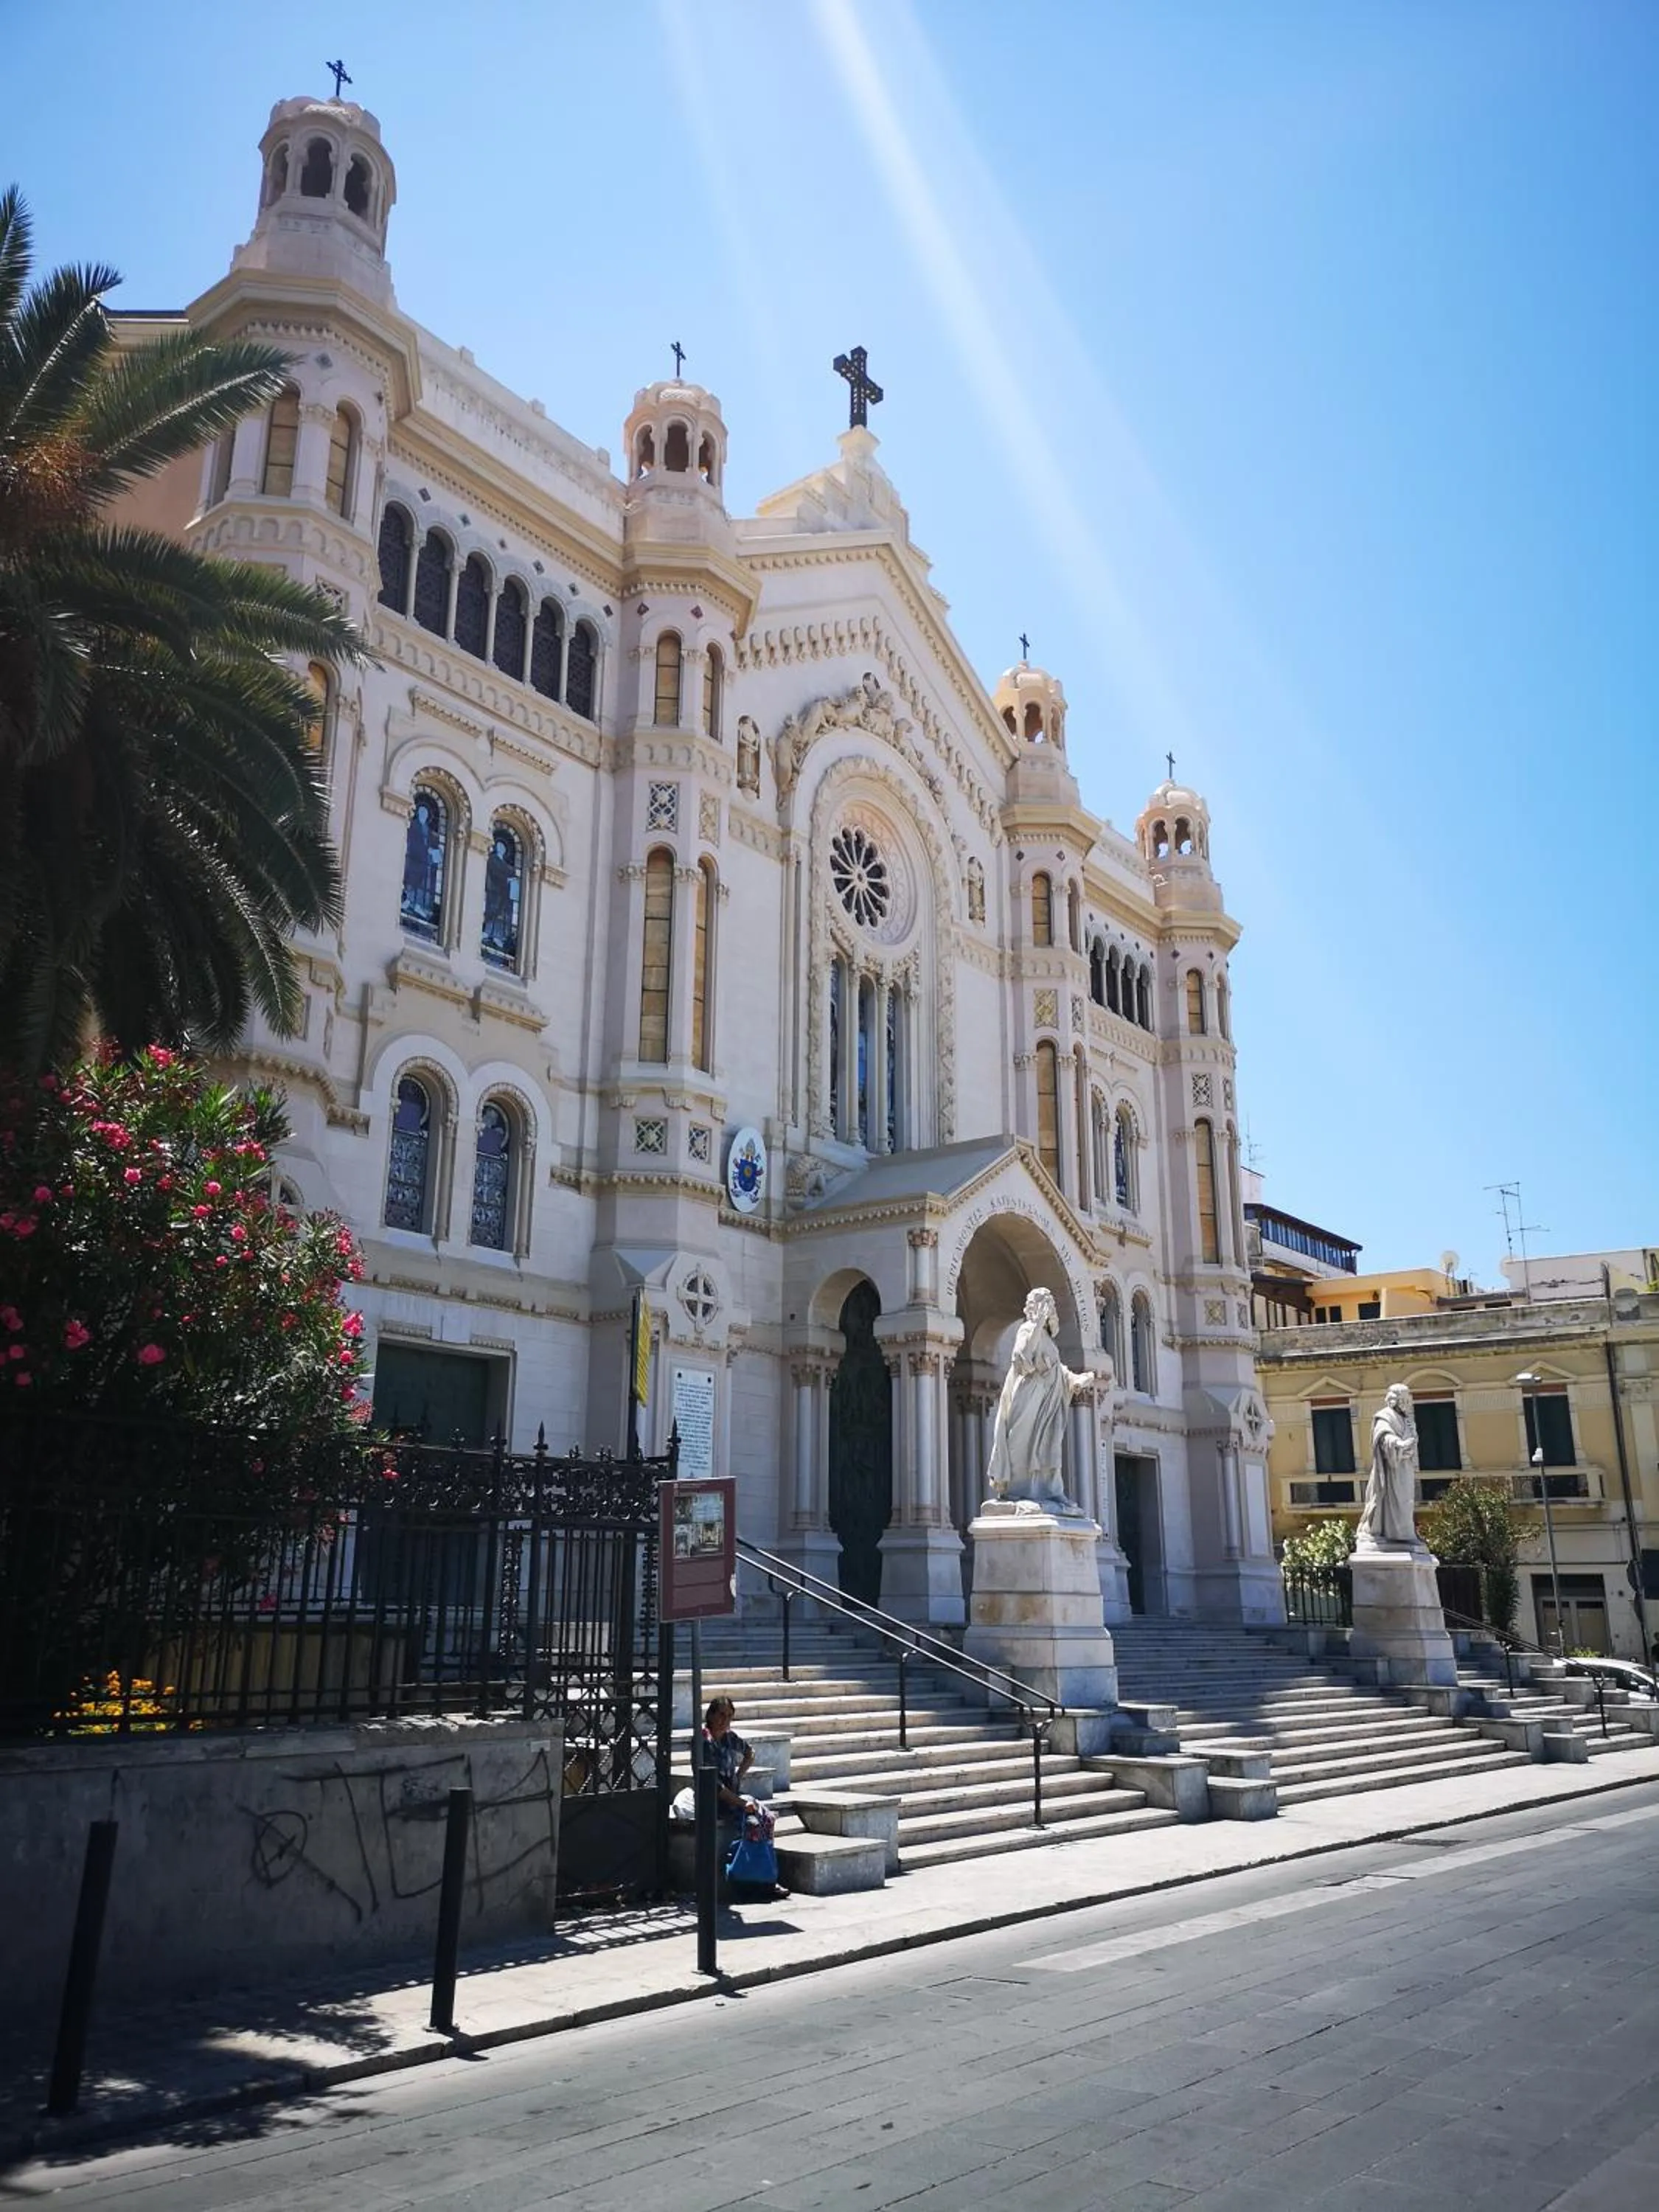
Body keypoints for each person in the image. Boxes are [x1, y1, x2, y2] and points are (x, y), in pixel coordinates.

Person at [701, 1697, 787, 1901]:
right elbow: (715, 1787)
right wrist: (742, 1803)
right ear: (711, 1715)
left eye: (729, 1716)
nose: (725, 1720)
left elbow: (750, 1752)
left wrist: (739, 1776)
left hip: (733, 1795)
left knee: (765, 1818)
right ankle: (750, 1878)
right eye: (721, 1715)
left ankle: (767, 1876)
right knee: (752, 1821)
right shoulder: (705, 1741)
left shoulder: (730, 1738)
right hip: (714, 1799)